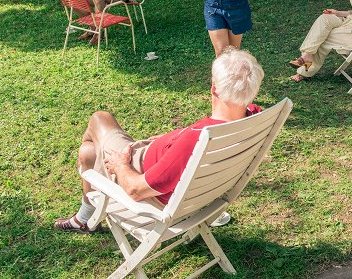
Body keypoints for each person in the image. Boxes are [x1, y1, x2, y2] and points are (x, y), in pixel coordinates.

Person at [53, 48, 264, 233]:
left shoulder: (196, 141)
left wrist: (120, 165)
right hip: (194, 186)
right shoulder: (253, 118)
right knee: (88, 153)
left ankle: (85, 214)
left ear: (214, 88)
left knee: (100, 119)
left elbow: (136, 190)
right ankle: (85, 216)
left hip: (140, 171)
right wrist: (174, 138)